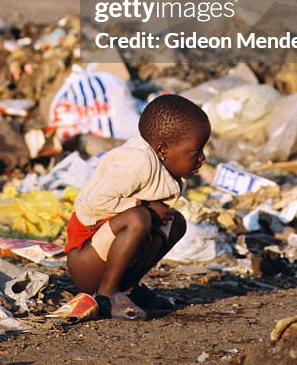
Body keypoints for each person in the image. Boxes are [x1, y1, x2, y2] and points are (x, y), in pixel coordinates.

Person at [50, 93, 211, 322]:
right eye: (196, 152)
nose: (202, 158)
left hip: (106, 255)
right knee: (138, 219)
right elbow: (95, 201)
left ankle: (128, 288)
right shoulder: (137, 161)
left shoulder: (166, 168)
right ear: (163, 150)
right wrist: (145, 205)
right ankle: (107, 295)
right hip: (85, 260)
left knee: (176, 222)